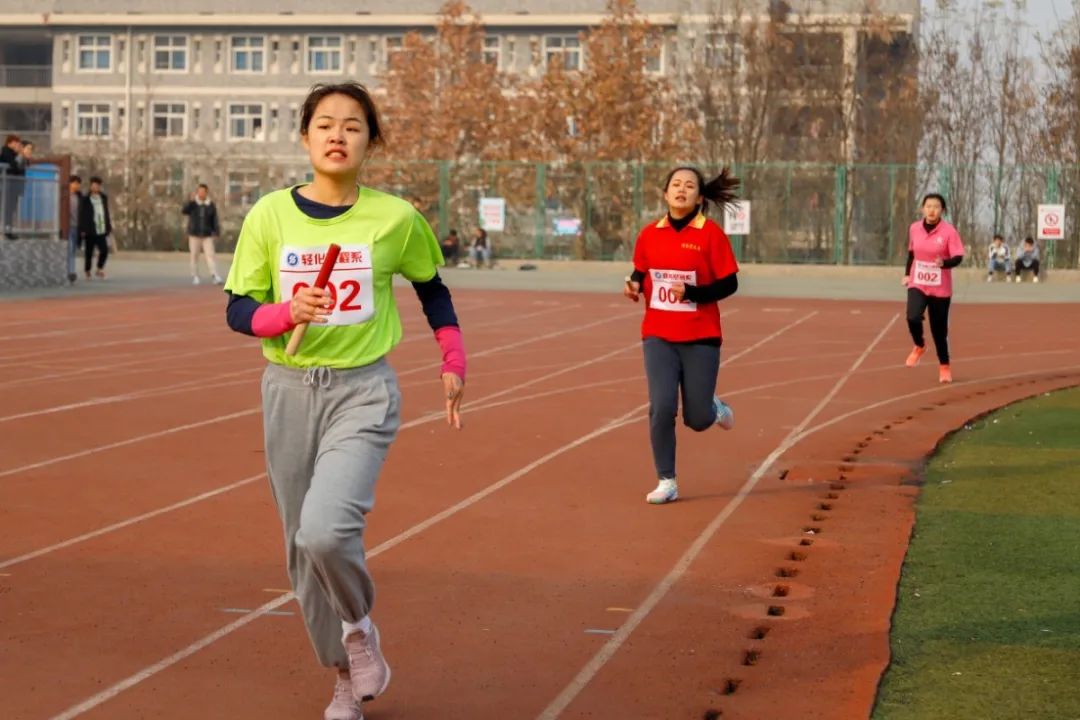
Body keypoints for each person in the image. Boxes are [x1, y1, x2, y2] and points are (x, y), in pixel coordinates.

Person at [223, 82, 467, 720]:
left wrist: (453, 359)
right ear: (305, 137)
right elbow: (238, 309)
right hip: (287, 392)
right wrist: (285, 312)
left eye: (353, 126)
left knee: (326, 531)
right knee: (300, 551)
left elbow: (432, 289)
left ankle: (359, 629)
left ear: (370, 142)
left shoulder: (395, 218)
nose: (338, 135)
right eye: (325, 124)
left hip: (362, 391)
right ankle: (343, 677)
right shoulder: (269, 216)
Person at [623, 166, 740, 505]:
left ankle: (713, 406)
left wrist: (693, 293)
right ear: (665, 194)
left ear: (699, 198)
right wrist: (633, 285)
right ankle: (667, 480)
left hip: (701, 336)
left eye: (689, 186)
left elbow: (730, 283)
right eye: (675, 184)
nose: (681, 190)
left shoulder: (710, 234)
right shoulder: (649, 234)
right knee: (661, 408)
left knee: (697, 419)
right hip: (658, 335)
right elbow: (640, 271)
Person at [903, 193, 965, 383]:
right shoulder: (914, 228)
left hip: (940, 288)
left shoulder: (949, 232)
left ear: (942, 210)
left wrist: (944, 263)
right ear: (923, 208)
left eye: (936, 207)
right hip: (918, 282)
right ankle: (919, 345)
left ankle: (944, 366)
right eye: (928, 206)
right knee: (912, 316)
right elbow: (912, 254)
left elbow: (958, 257)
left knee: (939, 332)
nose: (932, 210)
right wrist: (907, 274)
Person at [181, 183, 223, 285]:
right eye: (199, 191)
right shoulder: (193, 204)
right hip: (194, 234)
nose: (201, 193)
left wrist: (216, 231)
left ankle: (214, 275)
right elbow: (184, 211)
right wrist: (190, 201)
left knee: (210, 255)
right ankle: (195, 276)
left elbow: (214, 219)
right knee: (194, 256)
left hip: (207, 235)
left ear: (206, 193)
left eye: (203, 191)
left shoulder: (210, 205)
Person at [80, 176, 113, 279]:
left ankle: (99, 268)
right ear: (90, 186)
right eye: (93, 186)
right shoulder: (85, 199)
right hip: (90, 229)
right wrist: (83, 229)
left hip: (101, 228)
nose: (95, 187)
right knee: (89, 252)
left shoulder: (103, 198)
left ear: (99, 187)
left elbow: (106, 212)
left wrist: (108, 226)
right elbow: (83, 215)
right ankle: (87, 270)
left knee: (104, 250)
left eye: (97, 186)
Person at [1, 134, 23, 238]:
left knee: (10, 209)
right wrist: (19, 155)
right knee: (7, 209)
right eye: (15, 142)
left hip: (11, 185)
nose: (17, 145)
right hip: (7, 184)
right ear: (10, 143)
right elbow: (14, 167)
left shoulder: (12, 153)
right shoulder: (6, 152)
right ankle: (7, 230)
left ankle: (8, 230)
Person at [67, 175, 86, 284]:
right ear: (70, 184)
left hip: (76, 227)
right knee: (69, 249)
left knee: (73, 250)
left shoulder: (80, 197)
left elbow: (83, 214)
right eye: (75, 183)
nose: (77, 186)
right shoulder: (65, 196)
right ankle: (70, 272)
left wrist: (83, 229)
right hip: (67, 227)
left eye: (78, 184)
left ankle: (71, 272)